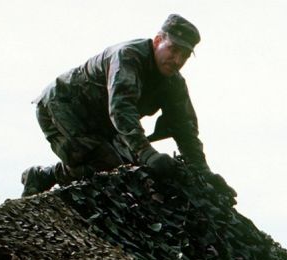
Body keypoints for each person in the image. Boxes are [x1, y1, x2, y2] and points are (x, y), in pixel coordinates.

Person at [20, 14, 235, 202]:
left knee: (132, 169)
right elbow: (121, 108)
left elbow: (185, 128)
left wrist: (203, 172)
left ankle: (44, 176)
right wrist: (147, 153)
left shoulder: (174, 83)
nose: (178, 59)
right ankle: (44, 177)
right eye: (173, 50)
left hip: (103, 124)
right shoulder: (128, 56)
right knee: (110, 166)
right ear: (158, 40)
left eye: (185, 55)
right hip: (64, 108)